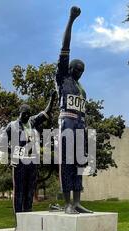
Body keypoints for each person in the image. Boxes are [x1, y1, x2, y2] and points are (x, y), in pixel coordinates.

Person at [0, 91, 56, 230]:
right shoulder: (11, 126)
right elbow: (1, 144)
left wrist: (52, 98)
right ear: (20, 113)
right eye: (24, 114)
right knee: (19, 192)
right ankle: (19, 223)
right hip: (19, 164)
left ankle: (28, 221)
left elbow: (46, 112)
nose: (26, 116)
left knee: (29, 192)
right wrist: (15, 153)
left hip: (33, 163)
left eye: (28, 114)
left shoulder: (33, 122)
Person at [56, 6, 93, 214]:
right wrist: (71, 20)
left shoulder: (82, 90)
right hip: (66, 127)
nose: (79, 72)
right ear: (69, 68)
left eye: (82, 71)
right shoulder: (63, 79)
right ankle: (67, 203)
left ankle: (77, 202)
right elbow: (65, 46)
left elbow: (84, 115)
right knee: (67, 165)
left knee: (79, 164)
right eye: (76, 69)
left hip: (80, 127)